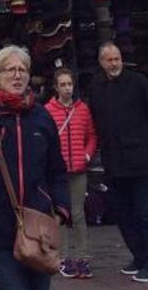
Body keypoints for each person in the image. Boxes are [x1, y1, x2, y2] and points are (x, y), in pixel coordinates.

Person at [0, 46, 70, 290]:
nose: (17, 75)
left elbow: (57, 170)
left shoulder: (42, 117)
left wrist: (61, 210)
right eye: (10, 70)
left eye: (22, 70)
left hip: (39, 228)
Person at [89, 43, 148, 283]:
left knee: (147, 213)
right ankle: (140, 257)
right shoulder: (96, 86)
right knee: (123, 214)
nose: (114, 63)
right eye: (109, 60)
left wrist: (143, 142)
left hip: (140, 160)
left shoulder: (139, 82)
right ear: (101, 62)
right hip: (114, 161)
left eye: (117, 58)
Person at [45, 68, 98, 279]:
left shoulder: (83, 109)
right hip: (57, 172)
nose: (67, 88)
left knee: (78, 214)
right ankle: (63, 257)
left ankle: (83, 257)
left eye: (70, 84)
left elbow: (92, 135)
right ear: (56, 87)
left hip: (78, 169)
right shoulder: (48, 110)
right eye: (63, 85)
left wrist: (86, 155)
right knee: (60, 215)